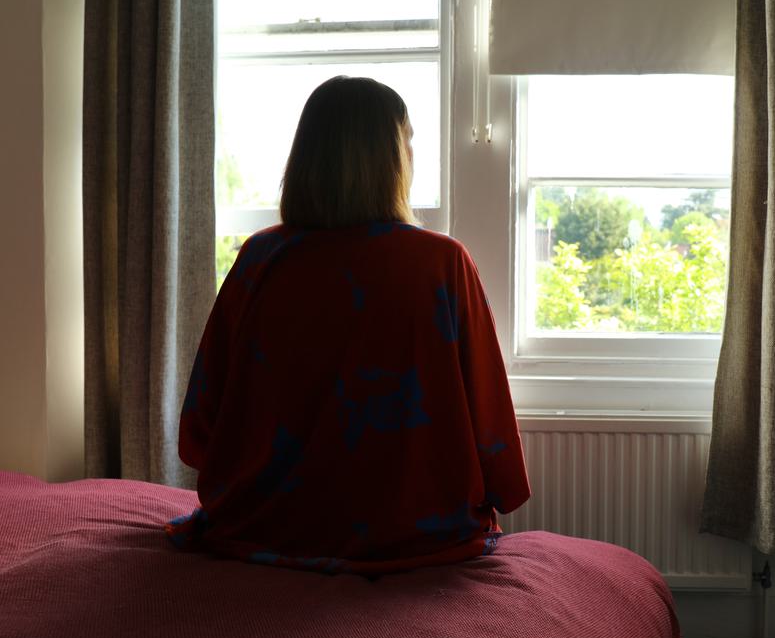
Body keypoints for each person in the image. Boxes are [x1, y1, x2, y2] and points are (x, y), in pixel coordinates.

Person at [166, 76, 530, 574]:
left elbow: (203, 420)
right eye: (409, 139)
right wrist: (499, 486)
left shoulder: (259, 259)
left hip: (264, 524)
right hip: (414, 529)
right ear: (391, 158)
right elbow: (486, 408)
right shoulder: (440, 262)